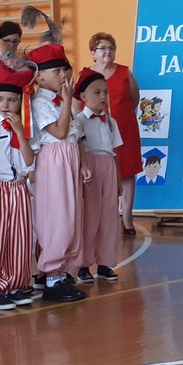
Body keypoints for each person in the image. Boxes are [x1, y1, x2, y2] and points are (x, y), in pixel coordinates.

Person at [0, 60, 37, 311]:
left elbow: (29, 161)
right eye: (0, 99)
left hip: (19, 188)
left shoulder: (25, 126)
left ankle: (15, 284)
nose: (5, 105)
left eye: (11, 100)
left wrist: (20, 133)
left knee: (19, 238)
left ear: (20, 101)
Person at [28, 43, 86, 303]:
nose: (64, 75)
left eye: (65, 69)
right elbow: (60, 132)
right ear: (40, 77)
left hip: (69, 157)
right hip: (54, 160)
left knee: (71, 215)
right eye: (57, 71)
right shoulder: (41, 102)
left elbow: (75, 135)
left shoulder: (61, 100)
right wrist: (67, 101)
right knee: (57, 216)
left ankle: (62, 272)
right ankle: (51, 276)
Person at [88, 32, 143, 234]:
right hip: (97, 131)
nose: (107, 52)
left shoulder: (125, 72)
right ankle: (106, 217)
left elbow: (135, 99)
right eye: (102, 48)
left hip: (125, 129)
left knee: (127, 172)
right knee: (102, 172)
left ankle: (127, 218)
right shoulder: (86, 75)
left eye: (111, 48)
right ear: (93, 53)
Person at [74, 67, 123, 284]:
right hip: (90, 167)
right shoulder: (79, 121)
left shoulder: (111, 122)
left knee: (109, 217)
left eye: (105, 92)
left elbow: (115, 152)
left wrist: (118, 179)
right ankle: (84, 265)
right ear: (83, 96)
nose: (103, 96)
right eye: (97, 92)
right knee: (90, 217)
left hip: (108, 167)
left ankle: (105, 263)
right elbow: (79, 150)